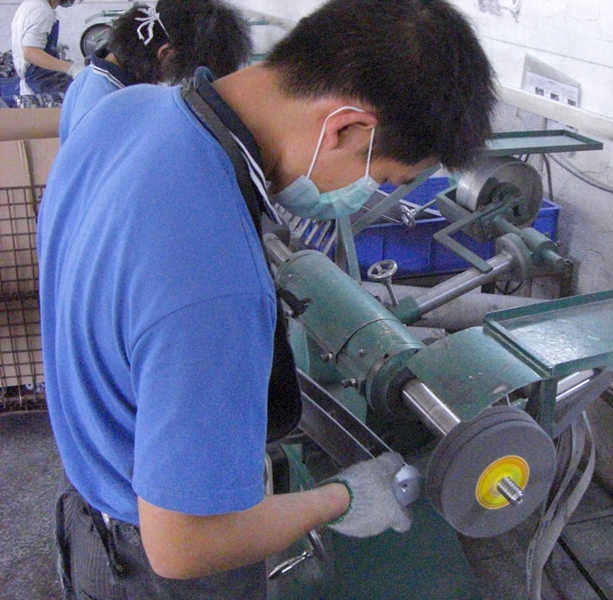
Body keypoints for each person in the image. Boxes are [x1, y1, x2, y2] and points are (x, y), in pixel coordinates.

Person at [37, 0, 496, 598]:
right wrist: (342, 497)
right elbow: (183, 545)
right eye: (383, 179)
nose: (366, 197)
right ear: (346, 129)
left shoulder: (127, 109)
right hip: (151, 570)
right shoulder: (215, 279)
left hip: (86, 512)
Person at [59, 0, 252, 142]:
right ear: (165, 53)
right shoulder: (111, 107)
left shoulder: (91, 75)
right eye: (185, 72)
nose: (177, 78)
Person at [10, 0, 81, 97]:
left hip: (33, 79)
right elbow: (31, 53)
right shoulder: (42, 11)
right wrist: (72, 68)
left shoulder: (30, 4)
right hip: (39, 82)